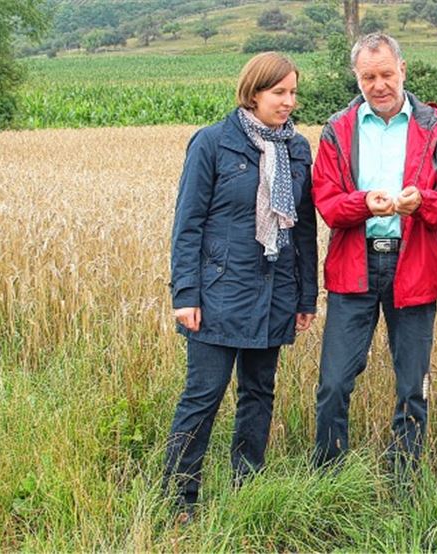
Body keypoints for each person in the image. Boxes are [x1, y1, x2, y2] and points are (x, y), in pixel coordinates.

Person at [163, 52, 318, 521]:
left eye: (293, 92)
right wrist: (185, 293)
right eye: (279, 93)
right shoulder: (212, 143)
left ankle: (246, 486)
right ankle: (178, 499)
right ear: (253, 93)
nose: (289, 102)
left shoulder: (297, 148)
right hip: (218, 294)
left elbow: (303, 229)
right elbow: (187, 223)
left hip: (276, 291)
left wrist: (306, 295)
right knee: (203, 395)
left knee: (259, 391)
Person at [311, 33, 437, 470]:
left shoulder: (435, 127)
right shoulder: (338, 130)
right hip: (355, 265)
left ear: (403, 69)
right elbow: (326, 202)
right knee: (333, 382)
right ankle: (328, 473)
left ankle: (405, 475)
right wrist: (363, 204)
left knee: (412, 385)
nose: (379, 84)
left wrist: (423, 202)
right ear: (357, 77)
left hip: (415, 264)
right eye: (369, 76)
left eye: (386, 73)